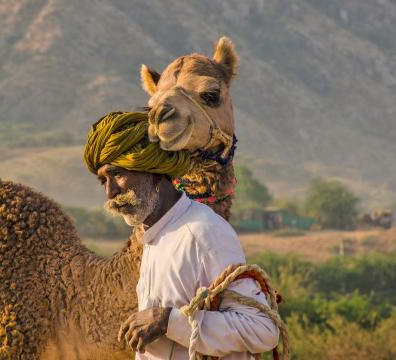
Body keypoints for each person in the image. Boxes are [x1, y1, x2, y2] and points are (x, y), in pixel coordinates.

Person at [84, 112, 279, 359]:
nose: (111, 192)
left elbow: (262, 330)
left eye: (118, 174)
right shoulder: (154, 237)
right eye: (104, 181)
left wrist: (168, 320)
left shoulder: (202, 232)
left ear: (153, 170)